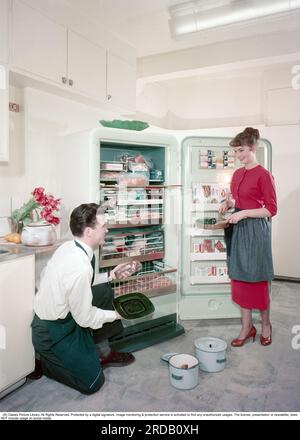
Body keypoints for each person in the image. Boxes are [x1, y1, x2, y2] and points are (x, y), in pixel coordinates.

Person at [30, 203, 136, 394]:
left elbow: (77, 284)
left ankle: (103, 352)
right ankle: (43, 361)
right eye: (103, 226)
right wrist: (117, 314)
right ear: (89, 231)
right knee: (93, 383)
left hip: (67, 317)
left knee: (103, 290)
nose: (107, 229)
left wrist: (111, 275)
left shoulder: (70, 247)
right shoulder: (80, 267)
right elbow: (85, 318)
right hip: (51, 331)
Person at [219, 127, 277, 347]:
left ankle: (266, 325)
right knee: (240, 278)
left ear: (253, 148)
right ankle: (246, 326)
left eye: (241, 150)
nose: (238, 155)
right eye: (236, 151)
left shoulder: (264, 175)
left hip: (255, 231)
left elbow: (271, 209)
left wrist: (243, 213)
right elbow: (240, 201)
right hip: (238, 229)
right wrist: (229, 205)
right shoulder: (237, 174)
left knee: (257, 278)